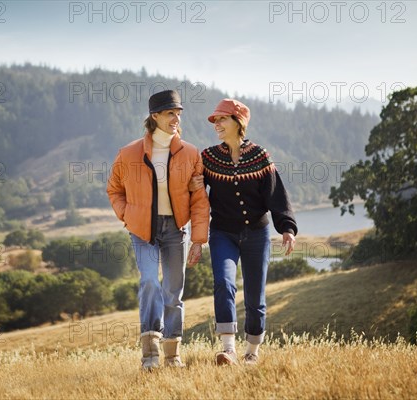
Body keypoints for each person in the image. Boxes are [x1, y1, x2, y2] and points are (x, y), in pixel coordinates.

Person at [107, 90, 210, 370]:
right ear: (154, 116)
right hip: (143, 230)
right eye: (170, 113)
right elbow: (114, 189)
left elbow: (199, 200)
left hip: (176, 230)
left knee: (173, 292)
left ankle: (172, 354)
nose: (176, 118)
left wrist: (199, 238)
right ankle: (150, 354)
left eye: (178, 113)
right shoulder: (129, 154)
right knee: (150, 282)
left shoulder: (190, 153)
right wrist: (127, 214)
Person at [189, 98, 297, 365]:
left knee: (254, 294)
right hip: (222, 233)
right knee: (224, 283)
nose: (217, 125)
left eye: (222, 119)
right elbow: (196, 193)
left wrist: (287, 228)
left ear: (238, 123)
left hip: (257, 235)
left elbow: (276, 196)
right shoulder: (209, 157)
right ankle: (228, 349)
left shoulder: (260, 157)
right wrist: (195, 184)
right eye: (215, 121)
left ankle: (252, 351)